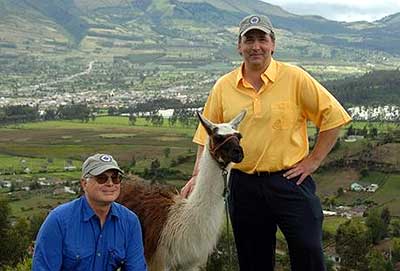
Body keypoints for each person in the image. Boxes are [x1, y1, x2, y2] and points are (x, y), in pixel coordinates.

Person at [181, 14, 351, 271]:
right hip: (243, 184)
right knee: (253, 261)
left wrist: (313, 161)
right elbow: (207, 136)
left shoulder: (294, 77)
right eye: (249, 40)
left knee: (309, 253)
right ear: (239, 46)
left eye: (262, 38)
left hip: (291, 181)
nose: (255, 46)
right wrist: (196, 174)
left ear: (273, 44)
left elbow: (333, 117)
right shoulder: (223, 86)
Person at [32, 153, 147, 271]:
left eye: (115, 178)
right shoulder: (58, 221)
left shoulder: (130, 222)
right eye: (101, 178)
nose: (110, 183)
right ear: (84, 183)